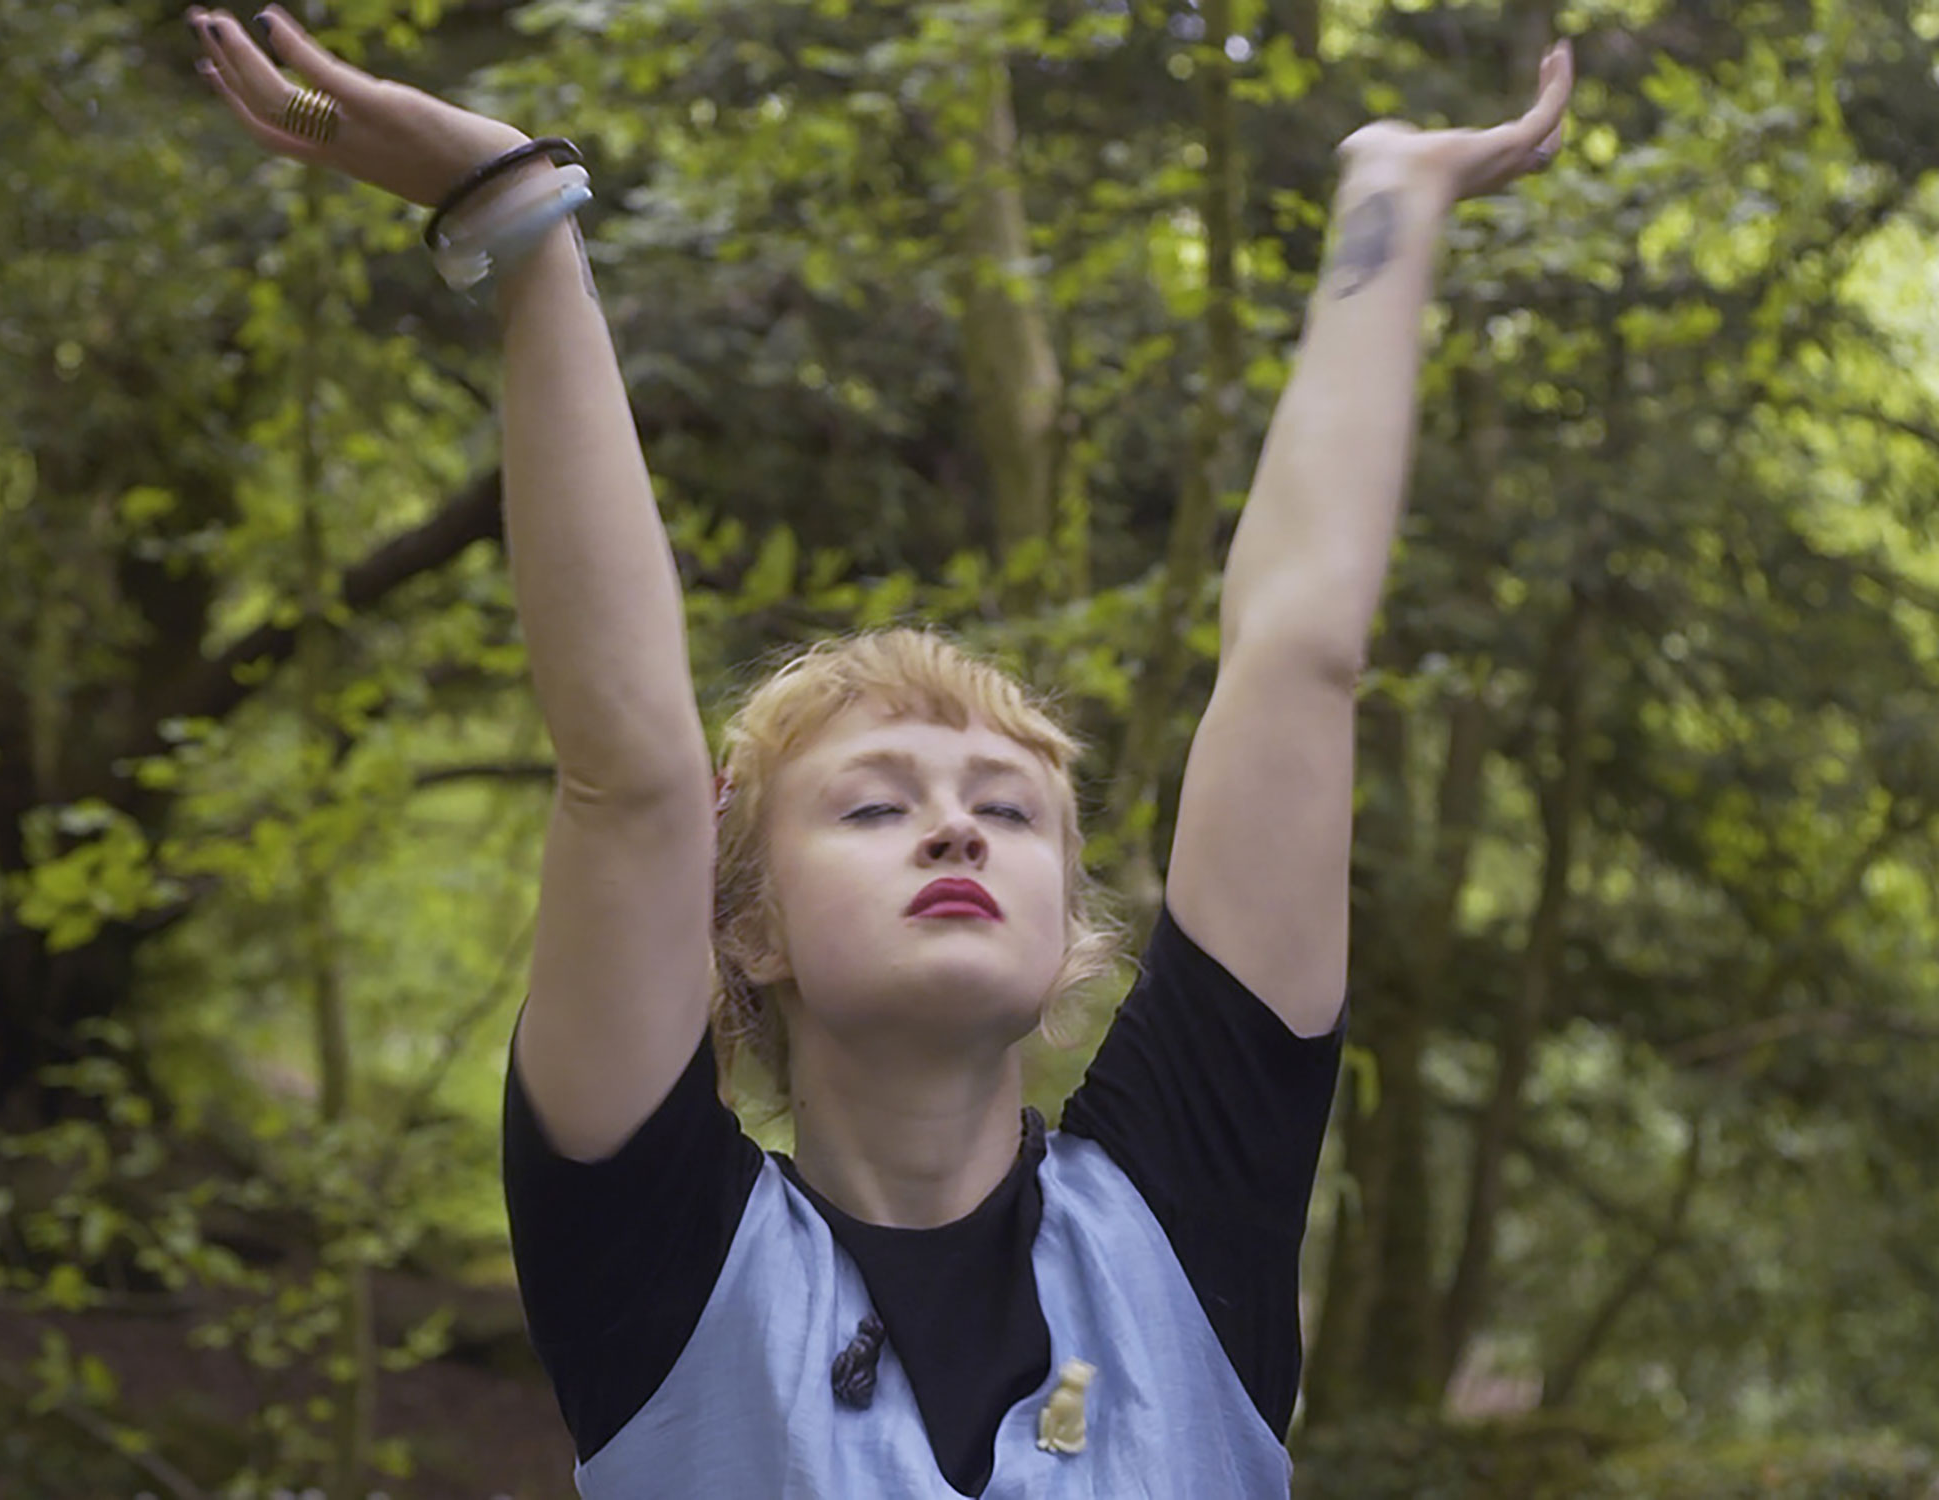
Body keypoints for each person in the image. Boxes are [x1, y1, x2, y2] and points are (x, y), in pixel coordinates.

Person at [188, 8, 1572, 1494]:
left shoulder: (1185, 1224)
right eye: (869, 809)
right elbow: (631, 775)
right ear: (748, 927)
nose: (958, 828)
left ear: (1072, 933)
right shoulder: (664, 1269)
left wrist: (1393, 203)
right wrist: (521, 222)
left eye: (1011, 812)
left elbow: (1297, 658)